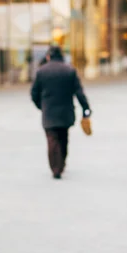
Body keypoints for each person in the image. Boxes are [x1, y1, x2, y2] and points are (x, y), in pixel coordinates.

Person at [31, 45, 91, 179]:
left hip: (49, 113)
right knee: (63, 138)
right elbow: (79, 92)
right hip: (66, 112)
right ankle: (61, 164)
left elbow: (34, 93)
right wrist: (86, 109)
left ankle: (55, 168)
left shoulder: (42, 71)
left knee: (52, 140)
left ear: (48, 56)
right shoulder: (70, 70)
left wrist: (41, 106)